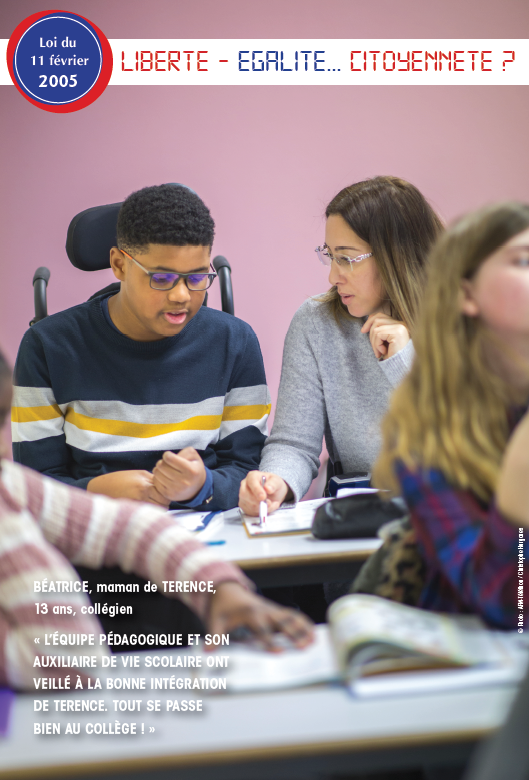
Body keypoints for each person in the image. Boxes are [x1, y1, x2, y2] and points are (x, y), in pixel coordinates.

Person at [0, 350, 312, 690]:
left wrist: (220, 589)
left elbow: (133, 528)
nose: (4, 450)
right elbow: (75, 659)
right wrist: (12, 527)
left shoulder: (9, 484)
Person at [12, 183, 270, 512]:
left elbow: (249, 471)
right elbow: (30, 488)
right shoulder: (47, 347)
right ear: (119, 264)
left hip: (205, 536)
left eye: (196, 278)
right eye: (161, 278)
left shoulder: (235, 342)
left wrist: (202, 487)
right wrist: (93, 492)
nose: (181, 296)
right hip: (93, 536)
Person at [239, 176, 443, 515]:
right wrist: (275, 482)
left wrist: (405, 363)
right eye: (330, 256)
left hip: (453, 518)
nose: (333, 277)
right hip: (361, 517)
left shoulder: (466, 319)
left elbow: (467, 443)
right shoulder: (315, 322)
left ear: (397, 255)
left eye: (347, 258)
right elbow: (294, 443)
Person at [372, 201, 529, 629]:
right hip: (484, 672)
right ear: (467, 294)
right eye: (523, 260)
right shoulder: (426, 439)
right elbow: (510, 606)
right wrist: (517, 496)